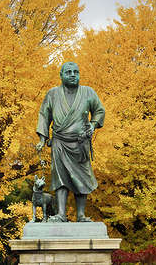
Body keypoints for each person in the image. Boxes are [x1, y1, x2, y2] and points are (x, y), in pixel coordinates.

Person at [35, 62, 105, 222]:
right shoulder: (52, 94)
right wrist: (42, 139)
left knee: (82, 177)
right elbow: (44, 115)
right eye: (68, 72)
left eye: (76, 72)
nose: (73, 75)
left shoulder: (88, 92)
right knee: (60, 177)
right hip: (59, 142)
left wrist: (93, 125)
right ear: (61, 75)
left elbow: (99, 110)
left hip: (80, 143)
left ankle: (81, 215)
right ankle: (61, 214)